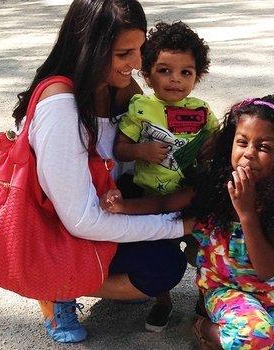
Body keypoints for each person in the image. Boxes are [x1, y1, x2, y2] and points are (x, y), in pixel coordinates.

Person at [11, 0, 195, 344]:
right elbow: (81, 219)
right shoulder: (61, 107)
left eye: (140, 50)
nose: (138, 64)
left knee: (181, 236)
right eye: (124, 53)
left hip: (111, 202)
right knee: (164, 266)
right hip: (63, 227)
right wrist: (177, 224)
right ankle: (54, 284)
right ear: (89, 47)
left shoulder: (121, 88)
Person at [102, 20, 219, 332]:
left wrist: (211, 146)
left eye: (186, 73)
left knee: (204, 250)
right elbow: (120, 148)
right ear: (147, 73)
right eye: (164, 70)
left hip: (191, 198)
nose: (175, 80)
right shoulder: (140, 108)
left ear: (197, 76)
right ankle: (162, 301)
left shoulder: (203, 111)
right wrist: (141, 152)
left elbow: (218, 143)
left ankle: (207, 296)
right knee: (159, 251)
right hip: (148, 199)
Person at [183, 95, 274, 349]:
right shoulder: (213, 189)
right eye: (242, 142)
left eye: (264, 147)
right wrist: (120, 205)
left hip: (272, 290)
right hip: (225, 290)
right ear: (230, 144)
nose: (249, 153)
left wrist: (247, 213)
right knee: (254, 338)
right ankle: (204, 327)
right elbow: (163, 204)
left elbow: (268, 271)